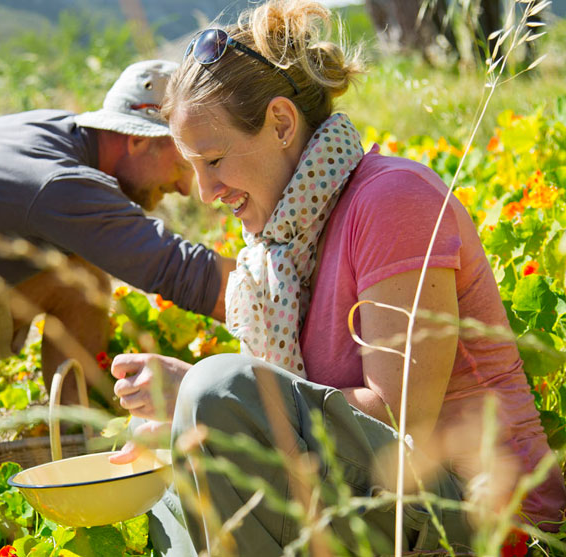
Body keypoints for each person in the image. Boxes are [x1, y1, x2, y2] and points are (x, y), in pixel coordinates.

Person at [110, 2, 566, 555]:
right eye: (192, 166)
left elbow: (403, 419)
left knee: (214, 397)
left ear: (281, 122)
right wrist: (189, 408)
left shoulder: (391, 199)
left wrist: (211, 395)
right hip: (386, 502)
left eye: (214, 160)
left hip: (483, 517)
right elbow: (293, 403)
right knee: (168, 485)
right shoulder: (283, 243)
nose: (205, 194)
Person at [0, 59, 234, 405]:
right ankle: (75, 443)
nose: (186, 188)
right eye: (183, 165)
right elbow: (181, 271)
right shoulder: (59, 183)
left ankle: (71, 434)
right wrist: (283, 308)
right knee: (82, 281)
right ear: (137, 140)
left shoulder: (52, 130)